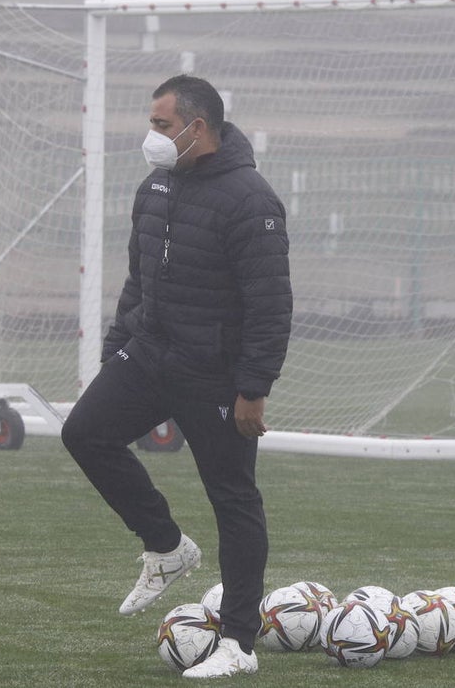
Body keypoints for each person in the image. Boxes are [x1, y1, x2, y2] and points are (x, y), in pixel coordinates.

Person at [61, 75, 292, 678]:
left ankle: (238, 643)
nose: (152, 136)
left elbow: (270, 304)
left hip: (215, 375)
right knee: (83, 433)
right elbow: (139, 278)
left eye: (162, 125)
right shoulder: (156, 184)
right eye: (153, 124)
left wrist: (253, 388)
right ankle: (166, 546)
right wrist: (118, 348)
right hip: (149, 354)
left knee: (233, 499)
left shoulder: (251, 199)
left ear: (198, 127)